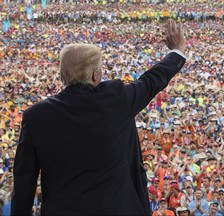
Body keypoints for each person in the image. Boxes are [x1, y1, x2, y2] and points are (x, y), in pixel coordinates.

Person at [11, 19, 186, 215]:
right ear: (95, 75)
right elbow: (151, 80)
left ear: (62, 76)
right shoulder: (116, 99)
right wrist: (176, 50)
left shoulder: (36, 116)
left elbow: (23, 182)